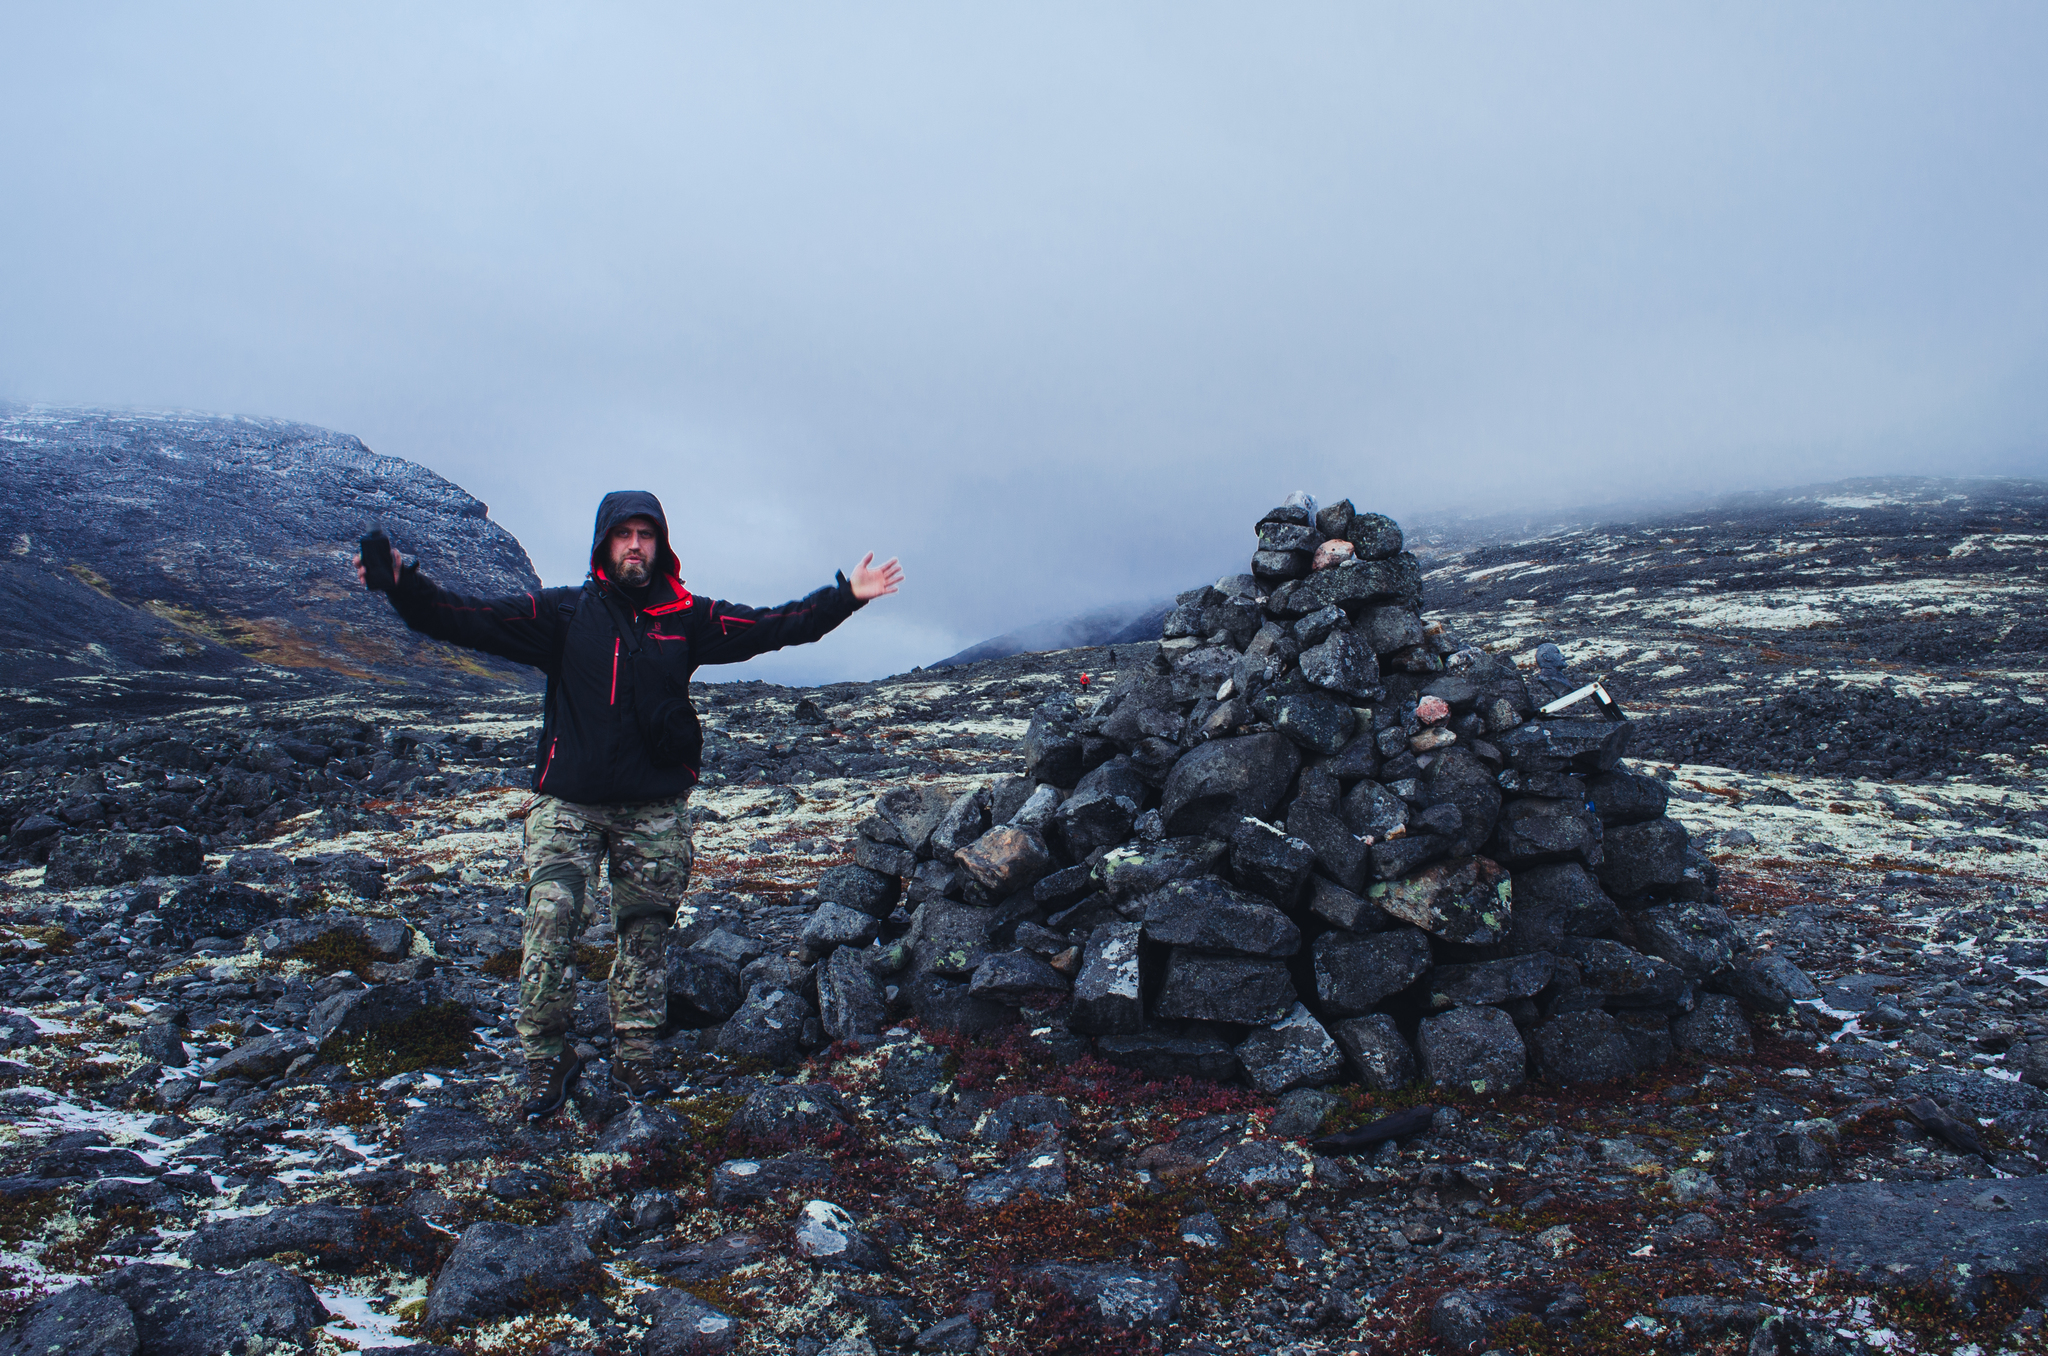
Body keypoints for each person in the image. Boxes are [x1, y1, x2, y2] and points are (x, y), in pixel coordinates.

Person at [356, 490, 902, 1117]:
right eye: (623, 535)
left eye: (646, 534)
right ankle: (545, 1059)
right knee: (550, 920)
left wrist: (845, 596)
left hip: (653, 809)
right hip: (567, 804)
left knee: (644, 931)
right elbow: (465, 616)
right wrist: (404, 585)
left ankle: (636, 1055)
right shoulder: (562, 614)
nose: (635, 545)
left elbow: (774, 626)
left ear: (661, 545)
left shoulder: (687, 618)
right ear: (604, 545)